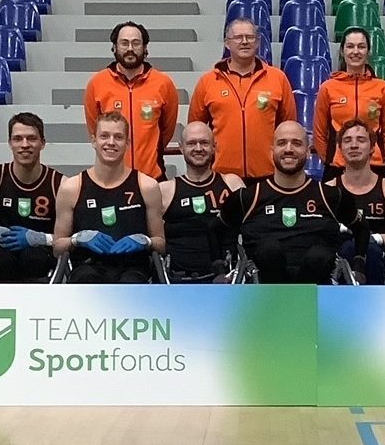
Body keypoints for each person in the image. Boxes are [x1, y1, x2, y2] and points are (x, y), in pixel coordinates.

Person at [218, 121, 361, 284]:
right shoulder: (248, 197)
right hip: (264, 288)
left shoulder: (331, 196)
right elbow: (216, 229)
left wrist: (359, 265)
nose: (288, 149)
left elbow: (361, 229)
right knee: (269, 250)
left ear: (308, 152)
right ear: (272, 151)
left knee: (318, 255)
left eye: (296, 143)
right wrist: (219, 268)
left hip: (318, 289)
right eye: (281, 143)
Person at [53, 112, 167, 283]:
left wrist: (146, 241)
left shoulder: (147, 186)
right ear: (94, 141)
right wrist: (77, 240)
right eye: (104, 136)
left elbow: (161, 244)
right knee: (86, 278)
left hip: (133, 269)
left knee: (131, 282)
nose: (111, 142)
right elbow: (57, 247)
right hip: (87, 267)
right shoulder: (71, 187)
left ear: (127, 143)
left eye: (118, 137)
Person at [189, 18, 297, 180]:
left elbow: (289, 126)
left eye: (250, 37)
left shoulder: (278, 79)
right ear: (227, 43)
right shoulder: (208, 82)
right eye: (238, 37)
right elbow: (195, 129)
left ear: (258, 42)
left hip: (268, 174)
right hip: (221, 176)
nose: (244, 42)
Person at [83, 21, 180, 180]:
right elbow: (95, 130)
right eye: (124, 43)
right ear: (114, 47)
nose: (130, 48)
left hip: (152, 177)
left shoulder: (163, 84)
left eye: (136, 43)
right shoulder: (97, 84)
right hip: (111, 178)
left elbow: (166, 130)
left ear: (145, 48)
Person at [325, 120, 385, 284]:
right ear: (340, 148)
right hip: (337, 265)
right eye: (347, 140)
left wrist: (376, 238)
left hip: (376, 263)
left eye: (361, 140)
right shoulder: (327, 191)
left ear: (373, 147)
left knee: (369, 249)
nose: (354, 145)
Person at [0, 112, 63, 283]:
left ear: (42, 143)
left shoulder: (60, 184)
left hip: (41, 255)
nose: (25, 145)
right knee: (1, 260)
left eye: (31, 138)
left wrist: (42, 238)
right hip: (3, 254)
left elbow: (67, 238)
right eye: (18, 139)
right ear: (10, 143)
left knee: (33, 258)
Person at [159, 121, 245, 280]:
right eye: (191, 143)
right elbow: (157, 241)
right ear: (181, 148)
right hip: (178, 281)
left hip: (226, 279)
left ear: (214, 146)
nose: (198, 148)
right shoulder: (165, 190)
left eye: (204, 143)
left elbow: (249, 231)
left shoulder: (232, 184)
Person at [312, 26, 385, 181]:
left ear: (368, 51)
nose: (356, 51)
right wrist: (330, 159)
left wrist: (379, 156)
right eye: (350, 46)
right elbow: (319, 132)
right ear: (342, 51)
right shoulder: (328, 88)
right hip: (337, 167)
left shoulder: (383, 88)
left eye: (361, 46)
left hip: (374, 166)